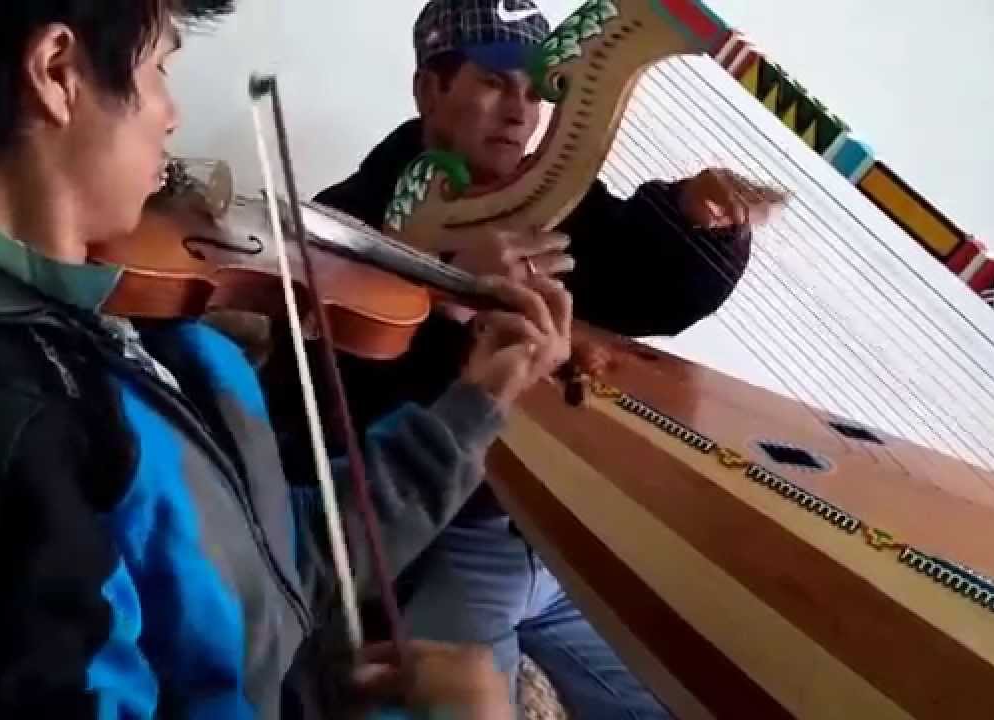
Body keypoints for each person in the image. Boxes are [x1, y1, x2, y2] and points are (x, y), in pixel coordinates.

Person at [0, 1, 573, 718]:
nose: (173, 115)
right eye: (162, 69)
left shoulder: (163, 336)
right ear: (58, 74)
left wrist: (479, 403)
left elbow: (285, 560)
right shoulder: (13, 436)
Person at [267, 1, 783, 716]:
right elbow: (307, 419)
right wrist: (436, 285)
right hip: (453, 537)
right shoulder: (343, 220)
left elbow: (645, 287)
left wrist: (698, 224)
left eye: (535, 90)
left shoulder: (556, 197)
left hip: (556, 533)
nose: (520, 110)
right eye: (493, 82)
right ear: (429, 91)